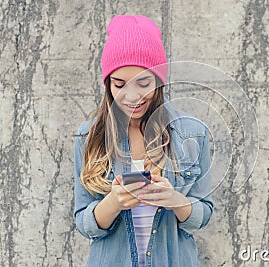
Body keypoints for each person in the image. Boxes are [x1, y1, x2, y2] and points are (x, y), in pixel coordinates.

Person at [73, 15, 214, 266]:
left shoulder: (193, 133)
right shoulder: (89, 137)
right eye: (119, 84)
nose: (132, 96)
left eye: (144, 83)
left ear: (159, 81)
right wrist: (113, 202)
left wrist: (175, 201)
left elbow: (203, 216)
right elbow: (85, 225)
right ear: (108, 85)